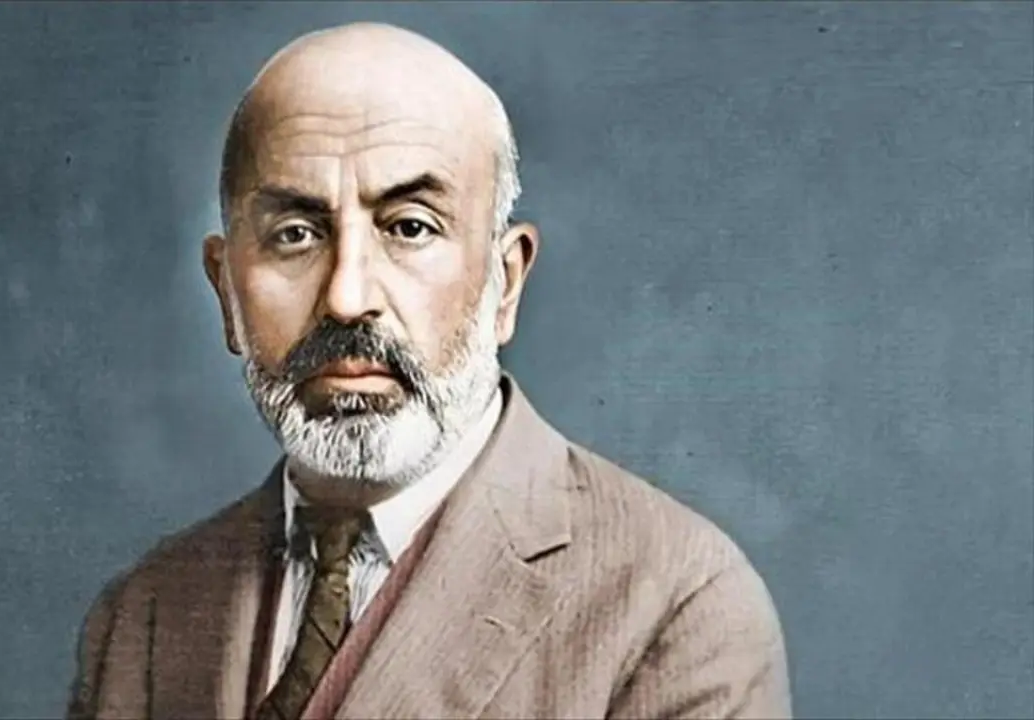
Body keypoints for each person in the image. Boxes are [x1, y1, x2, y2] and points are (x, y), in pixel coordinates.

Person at [67, 22, 791, 720]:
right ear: (226, 290)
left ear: (505, 284)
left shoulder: (678, 604)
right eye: (296, 235)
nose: (347, 296)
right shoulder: (142, 618)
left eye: (410, 227)